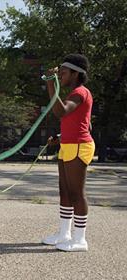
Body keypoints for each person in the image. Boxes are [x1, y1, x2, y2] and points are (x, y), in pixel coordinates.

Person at [42, 54, 95, 252]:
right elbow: (82, 122)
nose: (61, 75)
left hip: (79, 146)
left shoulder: (81, 92)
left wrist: (50, 84)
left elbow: (61, 111)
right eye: (60, 73)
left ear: (76, 73)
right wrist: (59, 135)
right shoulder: (75, 93)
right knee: (64, 192)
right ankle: (64, 234)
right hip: (68, 144)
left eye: (64, 72)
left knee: (76, 194)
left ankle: (80, 239)